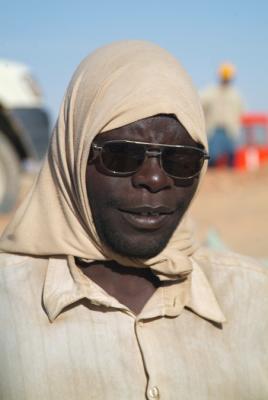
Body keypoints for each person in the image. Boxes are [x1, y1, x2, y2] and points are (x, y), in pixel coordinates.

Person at [0, 41, 267, 400]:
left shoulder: (254, 299)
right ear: (72, 155)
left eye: (181, 161)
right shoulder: (9, 308)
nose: (154, 179)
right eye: (121, 155)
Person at [200, 63, 244, 167]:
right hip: (213, 130)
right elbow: (200, 103)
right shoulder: (210, 92)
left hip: (230, 131)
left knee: (231, 157)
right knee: (212, 157)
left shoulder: (235, 94)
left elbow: (242, 112)